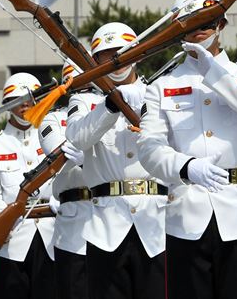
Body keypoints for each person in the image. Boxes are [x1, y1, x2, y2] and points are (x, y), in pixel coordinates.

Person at [137, 0, 237, 298]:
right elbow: (149, 149)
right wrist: (186, 167)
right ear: (179, 30)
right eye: (190, 23)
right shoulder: (161, 85)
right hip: (186, 214)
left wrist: (215, 73)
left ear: (222, 24)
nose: (199, 29)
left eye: (207, 21)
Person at [66, 23, 167, 299]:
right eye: (106, 55)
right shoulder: (84, 102)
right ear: (95, 61)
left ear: (139, 53)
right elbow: (77, 138)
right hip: (106, 225)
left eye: (121, 53)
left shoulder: (159, 92)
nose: (115, 61)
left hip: (156, 221)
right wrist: (111, 105)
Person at [0, 72, 57, 299]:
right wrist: (9, 213)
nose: (25, 106)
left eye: (31, 100)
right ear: (7, 106)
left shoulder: (54, 136)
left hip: (52, 234)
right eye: (18, 101)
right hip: (14, 238)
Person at [38, 60, 91, 299]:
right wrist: (89, 158)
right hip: (75, 214)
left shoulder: (110, 109)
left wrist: (86, 157)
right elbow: (59, 156)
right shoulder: (52, 120)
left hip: (112, 211)